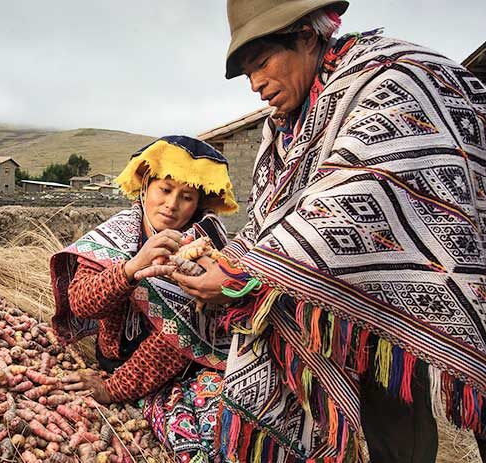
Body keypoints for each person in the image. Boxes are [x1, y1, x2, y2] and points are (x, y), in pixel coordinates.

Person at [173, 1, 486, 461]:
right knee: (388, 410)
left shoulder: (393, 80)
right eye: (247, 75)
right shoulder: (285, 130)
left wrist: (246, 272)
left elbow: (360, 196)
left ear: (306, 35)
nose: (256, 85)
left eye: (261, 64)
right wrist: (233, 258)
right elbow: (272, 216)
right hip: (372, 303)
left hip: (463, 282)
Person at [50, 136, 243, 460]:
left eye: (186, 197)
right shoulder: (115, 236)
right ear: (145, 187)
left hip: (189, 367)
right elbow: (81, 302)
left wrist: (113, 390)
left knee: (221, 433)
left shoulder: (207, 254)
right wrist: (132, 267)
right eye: (164, 190)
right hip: (118, 362)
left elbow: (178, 340)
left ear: (198, 205)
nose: (171, 205)